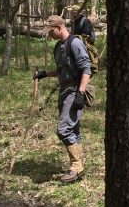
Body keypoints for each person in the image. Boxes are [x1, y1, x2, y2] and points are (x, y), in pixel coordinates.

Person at [33, 13, 91, 184]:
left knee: (63, 129)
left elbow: (86, 69)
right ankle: (78, 167)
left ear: (60, 27)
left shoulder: (75, 43)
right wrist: (44, 74)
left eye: (51, 31)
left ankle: (76, 167)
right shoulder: (59, 47)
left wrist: (80, 93)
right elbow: (61, 71)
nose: (49, 35)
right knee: (73, 130)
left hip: (74, 90)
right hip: (64, 90)